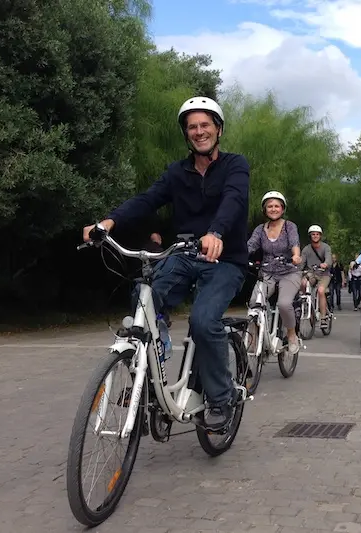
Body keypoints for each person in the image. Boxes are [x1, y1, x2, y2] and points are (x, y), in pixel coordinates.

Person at [82, 96, 248, 431]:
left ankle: (220, 398)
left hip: (225, 260)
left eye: (205, 125)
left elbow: (234, 200)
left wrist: (216, 232)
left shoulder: (235, 165)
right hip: (184, 255)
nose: (199, 132)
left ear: (218, 129)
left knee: (203, 321)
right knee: (144, 299)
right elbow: (148, 199)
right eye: (192, 127)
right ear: (186, 134)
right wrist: (108, 223)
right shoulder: (177, 171)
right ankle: (150, 371)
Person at [246, 191, 302, 354]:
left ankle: (291, 335)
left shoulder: (289, 226)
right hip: (267, 272)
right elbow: (250, 245)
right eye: (270, 206)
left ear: (282, 209)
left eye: (277, 206)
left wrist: (296, 255)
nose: (273, 209)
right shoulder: (260, 229)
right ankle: (255, 339)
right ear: (265, 209)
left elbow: (294, 243)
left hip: (289, 271)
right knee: (254, 304)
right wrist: (239, 256)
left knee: (284, 304)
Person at [300, 225, 333, 328]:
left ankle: (323, 318)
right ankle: (306, 304)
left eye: (317, 234)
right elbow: (302, 263)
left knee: (320, 291)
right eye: (313, 234)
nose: (315, 236)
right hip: (311, 273)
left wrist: (325, 264)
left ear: (320, 236)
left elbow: (329, 259)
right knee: (303, 283)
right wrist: (296, 268)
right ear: (310, 236)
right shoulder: (306, 249)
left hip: (324, 274)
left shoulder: (326, 247)